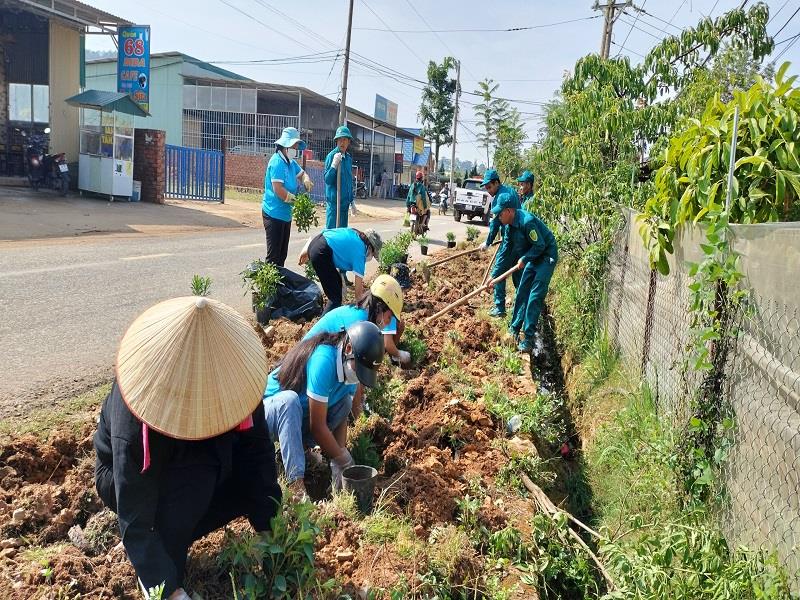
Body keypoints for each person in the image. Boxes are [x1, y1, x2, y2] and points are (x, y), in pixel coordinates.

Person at [94, 297, 281, 600]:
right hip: (124, 477)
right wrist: (168, 589)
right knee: (197, 481)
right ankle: (163, 559)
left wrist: (273, 537)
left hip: (190, 463)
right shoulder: (138, 412)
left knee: (237, 478)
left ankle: (180, 528)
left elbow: (258, 457)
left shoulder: (237, 383)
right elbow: (134, 508)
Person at [263, 321, 385, 498]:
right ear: (349, 349)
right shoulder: (324, 360)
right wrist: (343, 459)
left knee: (344, 402)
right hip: (265, 415)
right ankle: (296, 488)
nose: (359, 377)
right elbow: (317, 426)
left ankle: (301, 452)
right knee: (289, 402)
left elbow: (342, 415)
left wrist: (339, 455)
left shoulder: (348, 372)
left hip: (297, 418)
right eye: (359, 369)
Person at [489, 193, 558, 353]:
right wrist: (495, 276)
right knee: (522, 291)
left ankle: (528, 339)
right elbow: (505, 251)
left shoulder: (527, 222)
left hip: (546, 255)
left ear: (510, 211)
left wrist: (525, 258)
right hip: (533, 255)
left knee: (534, 296)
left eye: (500, 213)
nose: (498, 216)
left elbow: (540, 245)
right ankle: (514, 329)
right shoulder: (508, 227)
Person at [305, 274, 409, 365]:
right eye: (389, 317)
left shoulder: (365, 314)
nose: (388, 323)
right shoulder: (360, 323)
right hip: (309, 356)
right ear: (379, 307)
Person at [261, 127, 314, 267]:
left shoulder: (290, 163)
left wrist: (306, 179)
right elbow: (278, 190)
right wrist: (296, 201)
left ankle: (279, 286)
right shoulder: (277, 162)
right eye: (294, 146)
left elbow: (302, 174)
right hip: (273, 213)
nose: (295, 149)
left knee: (282, 254)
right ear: (285, 145)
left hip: (285, 215)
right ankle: (270, 287)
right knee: (274, 256)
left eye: (296, 146)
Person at [299, 227, 383, 314]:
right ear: (370, 248)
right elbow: (358, 294)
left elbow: (331, 237)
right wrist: (365, 311)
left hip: (316, 242)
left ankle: (330, 318)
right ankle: (323, 326)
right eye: (373, 254)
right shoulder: (360, 252)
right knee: (335, 298)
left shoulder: (355, 234)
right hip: (321, 253)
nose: (371, 257)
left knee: (338, 285)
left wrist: (308, 251)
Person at [479, 169, 521, 317]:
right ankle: (519, 306)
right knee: (517, 273)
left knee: (499, 272)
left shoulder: (500, 198)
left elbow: (495, 223)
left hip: (509, 241)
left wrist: (488, 242)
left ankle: (500, 308)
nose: (489, 191)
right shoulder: (511, 191)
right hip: (519, 240)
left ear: (497, 182)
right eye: (486, 188)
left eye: (490, 187)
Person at [323, 125, 354, 229]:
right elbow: (327, 180)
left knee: (342, 235)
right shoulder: (332, 156)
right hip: (334, 205)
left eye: (345, 139)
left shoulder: (348, 158)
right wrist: (334, 166)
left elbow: (349, 181)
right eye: (339, 140)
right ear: (336, 141)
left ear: (349, 142)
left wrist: (351, 200)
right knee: (331, 235)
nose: (342, 142)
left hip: (344, 205)